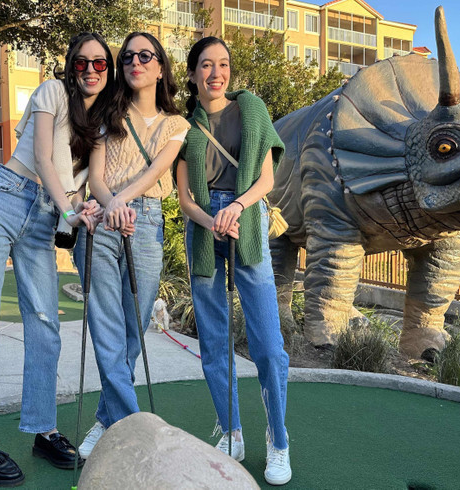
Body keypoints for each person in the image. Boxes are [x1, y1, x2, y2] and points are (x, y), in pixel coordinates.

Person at [0, 33, 114, 486]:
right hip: (4, 199)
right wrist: (69, 207)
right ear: (70, 66)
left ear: (109, 70)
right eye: (81, 62)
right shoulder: (51, 92)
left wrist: (96, 207)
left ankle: (43, 429)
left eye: (100, 64)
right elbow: (43, 157)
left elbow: (89, 181)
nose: (90, 70)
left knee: (44, 324)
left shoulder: (101, 123)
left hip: (45, 216)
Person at [175, 36, 292, 486]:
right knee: (214, 339)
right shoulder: (184, 126)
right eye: (206, 65)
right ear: (192, 73)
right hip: (204, 230)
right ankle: (232, 431)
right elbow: (185, 198)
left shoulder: (252, 109)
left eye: (222, 64)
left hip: (246, 220)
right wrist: (212, 219)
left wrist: (237, 208)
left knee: (267, 342)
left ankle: (278, 439)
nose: (215, 73)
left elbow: (266, 177)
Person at [73, 32, 190, 458]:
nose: (135, 62)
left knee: (132, 331)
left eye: (145, 55)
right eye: (127, 57)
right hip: (103, 220)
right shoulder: (109, 114)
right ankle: (135, 426)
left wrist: (124, 201)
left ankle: (107, 419)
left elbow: (158, 168)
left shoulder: (177, 124)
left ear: (160, 66)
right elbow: (98, 178)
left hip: (146, 219)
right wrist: (111, 205)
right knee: (106, 326)